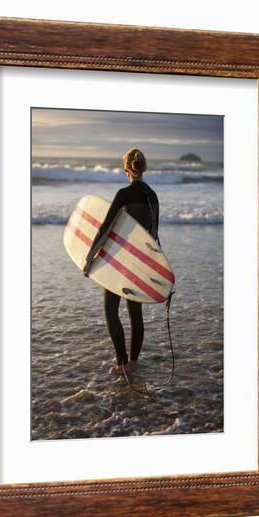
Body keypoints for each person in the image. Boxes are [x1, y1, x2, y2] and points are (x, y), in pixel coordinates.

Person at [83, 148, 160, 376]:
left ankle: (121, 362)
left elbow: (105, 228)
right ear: (143, 168)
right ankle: (133, 363)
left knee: (111, 310)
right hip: (140, 262)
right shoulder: (153, 196)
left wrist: (89, 258)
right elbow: (153, 236)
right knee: (135, 313)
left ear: (126, 169)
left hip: (118, 261)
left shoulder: (124, 194)